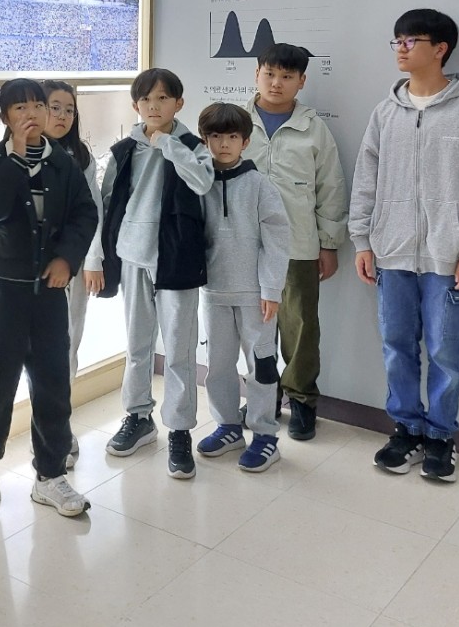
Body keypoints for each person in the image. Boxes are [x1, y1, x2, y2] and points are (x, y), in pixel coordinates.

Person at [350, 9, 459, 482]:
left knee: (445, 352)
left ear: (440, 49)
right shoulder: (385, 112)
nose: (400, 48)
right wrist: (362, 240)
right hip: (391, 253)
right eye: (396, 40)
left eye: (410, 40)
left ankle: (440, 437)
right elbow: (365, 180)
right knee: (396, 346)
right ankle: (407, 430)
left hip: (448, 258)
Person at [0, 78, 98, 516]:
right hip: (7, 289)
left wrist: (67, 259)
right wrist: (17, 155)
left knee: (53, 383)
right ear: (5, 117)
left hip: (50, 291)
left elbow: (85, 213)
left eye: (38, 106)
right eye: (20, 108)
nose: (32, 114)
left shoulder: (62, 161)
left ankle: (50, 475)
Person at [90, 67, 214, 479]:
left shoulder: (193, 146)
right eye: (146, 99)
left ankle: (179, 430)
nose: (153, 106)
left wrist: (169, 145)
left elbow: (202, 183)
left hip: (177, 259)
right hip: (133, 257)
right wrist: (98, 258)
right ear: (135, 105)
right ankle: (138, 416)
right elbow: (108, 204)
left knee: (178, 351)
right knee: (137, 344)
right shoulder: (124, 150)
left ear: (179, 103)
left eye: (163, 98)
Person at [244, 43, 348, 440]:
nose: (276, 83)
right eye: (269, 74)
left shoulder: (313, 128)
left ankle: (302, 399)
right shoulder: (236, 122)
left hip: (298, 245)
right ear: (256, 74)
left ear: (301, 81)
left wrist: (329, 243)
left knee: (300, 326)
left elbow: (330, 187)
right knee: (253, 326)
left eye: (287, 76)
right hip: (244, 246)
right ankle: (263, 396)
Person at [195, 104, 290, 471]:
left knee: (261, 365)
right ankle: (228, 426)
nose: (224, 144)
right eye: (216, 136)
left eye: (232, 136)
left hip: (256, 296)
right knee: (217, 365)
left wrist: (271, 290)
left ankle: (265, 434)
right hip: (213, 293)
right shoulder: (198, 184)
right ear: (205, 140)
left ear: (245, 142)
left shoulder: (260, 186)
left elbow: (277, 241)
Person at [42, 79, 103, 469]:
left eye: (69, 109)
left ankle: (59, 428)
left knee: (67, 347)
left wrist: (93, 259)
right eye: (55, 107)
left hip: (74, 266)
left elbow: (93, 209)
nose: (63, 116)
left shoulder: (80, 156)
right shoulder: (18, 152)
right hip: (30, 271)